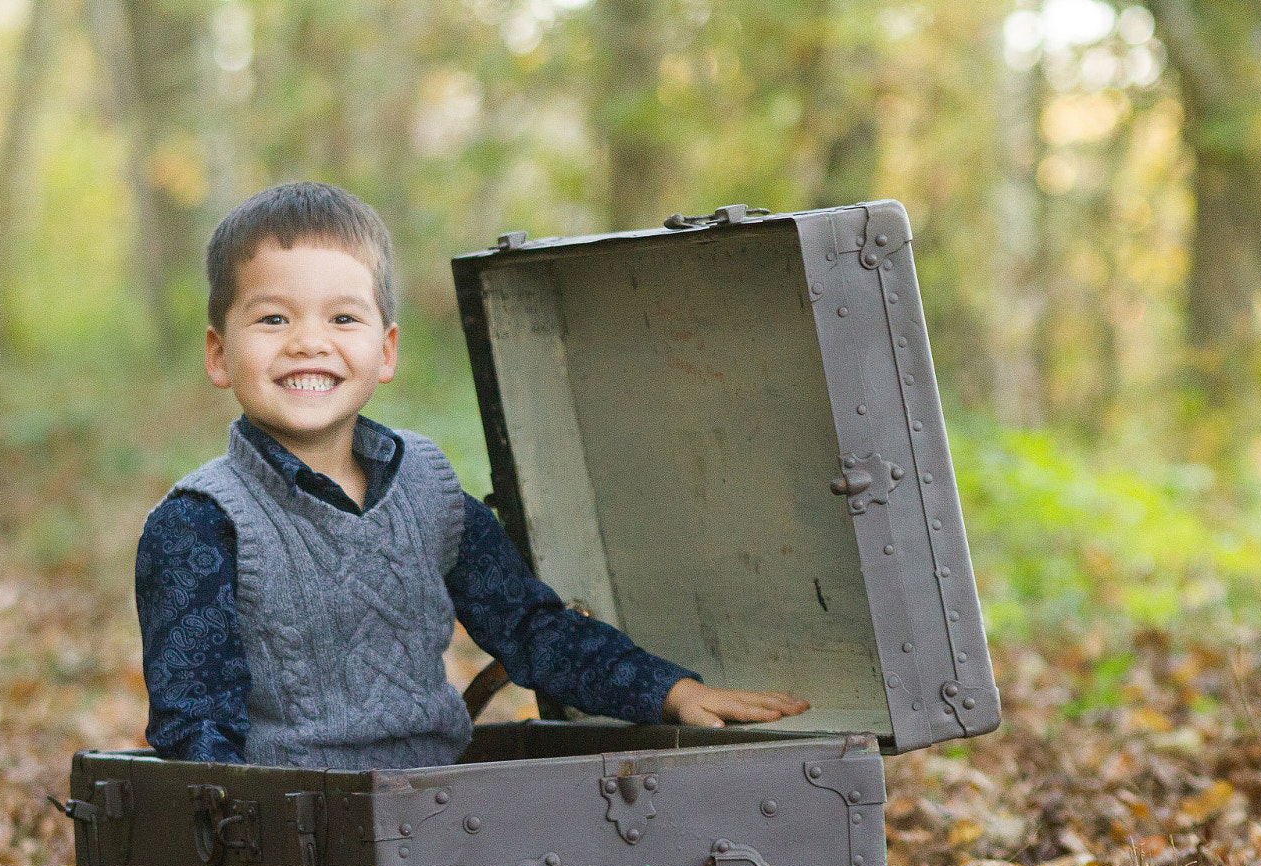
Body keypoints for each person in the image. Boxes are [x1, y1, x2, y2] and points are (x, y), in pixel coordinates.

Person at [135, 181, 809, 770]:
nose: (309, 341)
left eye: (343, 317)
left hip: (441, 808)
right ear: (220, 354)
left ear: (385, 350)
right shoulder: (201, 522)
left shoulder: (426, 490)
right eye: (274, 318)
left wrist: (669, 692)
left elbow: (531, 628)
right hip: (293, 828)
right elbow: (198, 736)